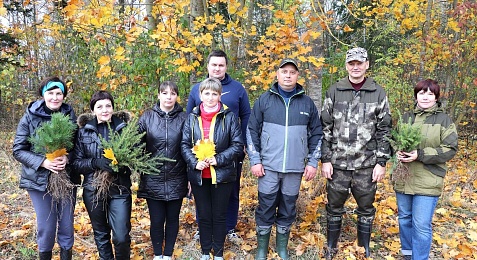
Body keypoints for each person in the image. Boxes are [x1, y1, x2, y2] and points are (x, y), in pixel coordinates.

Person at [246, 58, 323, 260]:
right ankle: (262, 248)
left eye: (292, 72)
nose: (288, 75)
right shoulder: (264, 100)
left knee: (288, 207)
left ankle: (282, 247)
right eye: (284, 71)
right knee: (266, 206)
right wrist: (255, 160)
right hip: (268, 167)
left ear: (298, 75)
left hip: (295, 168)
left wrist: (313, 163)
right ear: (277, 74)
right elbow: (251, 130)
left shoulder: (307, 103)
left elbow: (317, 134)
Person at [320, 47, 392, 259]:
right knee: (334, 207)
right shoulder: (335, 90)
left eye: (359, 63)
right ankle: (332, 246)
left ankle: (364, 246)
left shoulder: (378, 92)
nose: (355, 67)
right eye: (351, 63)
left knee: (366, 207)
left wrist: (381, 161)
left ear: (367, 65)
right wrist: (325, 159)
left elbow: (385, 129)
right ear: (346, 66)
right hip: (338, 163)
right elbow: (325, 128)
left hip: (366, 164)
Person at [186, 49, 251, 242]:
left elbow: (246, 115)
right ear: (208, 66)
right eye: (213, 64)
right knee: (202, 191)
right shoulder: (197, 88)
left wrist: (244, 143)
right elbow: (189, 119)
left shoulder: (238, 89)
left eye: (221, 65)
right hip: (202, 154)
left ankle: (229, 227)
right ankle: (203, 228)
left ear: (226, 67)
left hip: (229, 152)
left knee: (231, 190)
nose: (217, 68)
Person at [12, 76, 78, 260]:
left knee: (66, 225)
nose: (55, 97)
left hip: (66, 179)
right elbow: (18, 149)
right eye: (51, 93)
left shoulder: (70, 115)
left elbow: (78, 145)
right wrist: (43, 162)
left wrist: (68, 157)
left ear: (63, 96)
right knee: (47, 227)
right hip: (38, 181)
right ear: (43, 94)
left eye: (59, 93)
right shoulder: (30, 116)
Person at [394, 79, 458, 260]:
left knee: (421, 224)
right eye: (422, 93)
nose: (425, 97)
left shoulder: (444, 120)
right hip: (404, 178)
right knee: (405, 219)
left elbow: (450, 149)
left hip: (429, 179)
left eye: (430, 94)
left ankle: (419, 258)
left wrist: (420, 154)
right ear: (416, 95)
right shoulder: (406, 117)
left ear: (436, 97)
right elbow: (395, 140)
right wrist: (397, 151)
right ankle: (408, 255)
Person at [181, 78, 244, 260]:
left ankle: (218, 252)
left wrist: (218, 159)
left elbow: (237, 145)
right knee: (204, 214)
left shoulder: (229, 116)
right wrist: (194, 162)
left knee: (219, 214)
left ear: (219, 96)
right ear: (200, 95)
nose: (210, 97)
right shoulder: (192, 118)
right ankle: (204, 252)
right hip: (199, 175)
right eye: (206, 93)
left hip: (222, 174)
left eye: (214, 94)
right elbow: (185, 144)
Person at [72, 91, 132, 260]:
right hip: (93, 189)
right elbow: (76, 163)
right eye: (99, 106)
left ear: (113, 108)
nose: (104, 110)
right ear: (93, 110)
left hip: (119, 188)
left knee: (121, 236)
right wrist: (95, 163)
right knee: (101, 234)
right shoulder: (84, 131)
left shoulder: (124, 129)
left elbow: (135, 158)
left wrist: (121, 165)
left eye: (108, 105)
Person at [137, 81, 188, 260]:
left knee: (173, 219)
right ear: (158, 95)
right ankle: (157, 254)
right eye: (164, 93)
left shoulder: (185, 118)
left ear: (177, 97)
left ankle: (168, 254)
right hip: (153, 177)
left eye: (172, 93)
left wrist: (190, 177)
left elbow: (189, 148)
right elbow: (136, 144)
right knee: (157, 220)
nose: (168, 97)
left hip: (177, 176)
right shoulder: (147, 117)